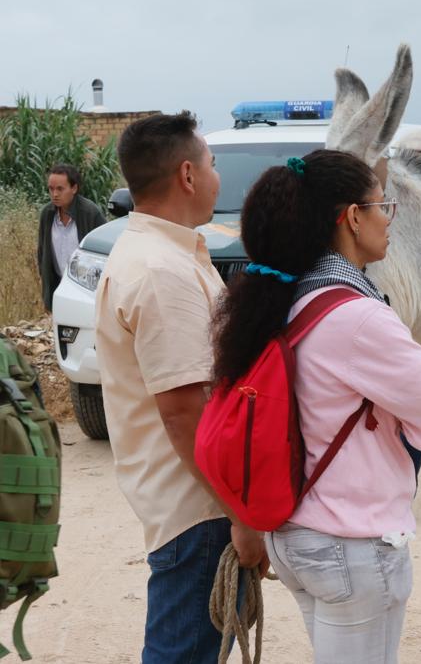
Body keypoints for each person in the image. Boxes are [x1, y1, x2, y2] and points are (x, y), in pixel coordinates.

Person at [210, 149, 421, 663]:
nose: (388, 220)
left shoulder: (284, 297)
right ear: (351, 216)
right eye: (382, 206)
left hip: (295, 537)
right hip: (352, 543)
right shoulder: (358, 316)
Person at [94, 112, 267, 663]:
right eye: (213, 165)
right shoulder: (160, 271)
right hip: (201, 513)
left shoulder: (167, 254)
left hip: (197, 507)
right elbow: (184, 413)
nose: (218, 179)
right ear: (188, 175)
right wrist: (241, 515)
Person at [36, 164, 106, 311]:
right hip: (58, 287)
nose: (54, 194)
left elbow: (105, 255)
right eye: (51, 189)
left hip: (86, 290)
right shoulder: (47, 214)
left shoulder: (90, 213)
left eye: (60, 189)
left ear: (74, 188)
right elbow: (42, 252)